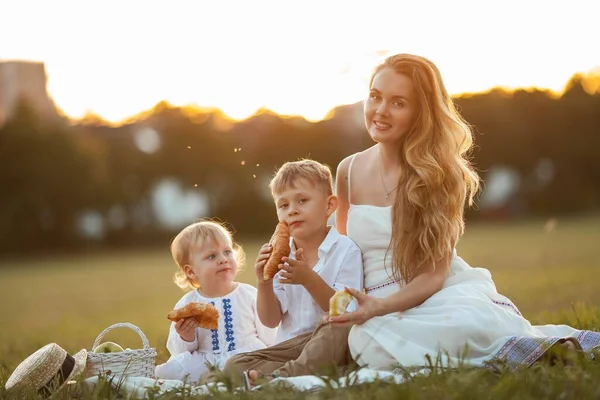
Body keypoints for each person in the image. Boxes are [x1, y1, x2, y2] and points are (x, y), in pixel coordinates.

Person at [326, 53, 600, 371]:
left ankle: (537, 352)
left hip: (434, 295)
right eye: (375, 96)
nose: (380, 111)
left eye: (398, 102)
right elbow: (341, 252)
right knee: (367, 342)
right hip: (371, 301)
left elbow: (433, 274)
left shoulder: (439, 174)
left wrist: (381, 307)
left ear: (420, 113)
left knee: (451, 326)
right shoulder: (348, 170)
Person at [221, 159, 364, 387]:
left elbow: (345, 311)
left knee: (338, 324)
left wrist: (308, 278)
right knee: (235, 365)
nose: (292, 210)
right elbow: (270, 320)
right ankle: (306, 374)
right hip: (290, 347)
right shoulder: (281, 254)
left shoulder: (346, 250)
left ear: (329, 205)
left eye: (302, 200)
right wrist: (264, 281)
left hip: (330, 340)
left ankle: (283, 379)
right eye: (283, 205)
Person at [154, 220, 277, 384]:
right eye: (212, 256)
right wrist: (186, 337)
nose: (223, 259)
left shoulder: (248, 294)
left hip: (246, 356)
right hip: (206, 361)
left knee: (267, 362)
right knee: (172, 369)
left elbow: (269, 333)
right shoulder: (188, 303)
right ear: (191, 271)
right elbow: (179, 352)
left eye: (227, 252)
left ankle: (234, 378)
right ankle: (220, 378)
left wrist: (271, 351)